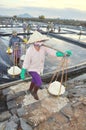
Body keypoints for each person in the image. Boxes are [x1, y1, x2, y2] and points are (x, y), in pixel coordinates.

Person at [20, 31, 72, 100]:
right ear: (34, 42)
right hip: (32, 69)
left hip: (39, 68)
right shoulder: (30, 50)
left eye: (41, 40)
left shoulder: (43, 47)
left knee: (34, 80)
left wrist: (62, 54)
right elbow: (26, 61)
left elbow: (52, 52)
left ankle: (30, 89)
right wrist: (23, 71)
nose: (41, 42)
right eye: (39, 40)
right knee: (39, 83)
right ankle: (34, 92)